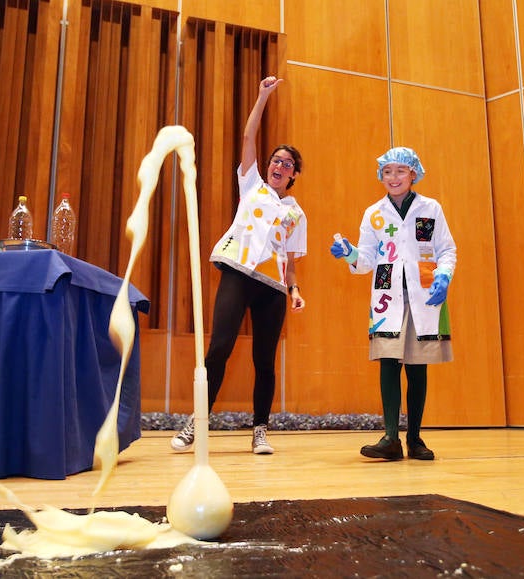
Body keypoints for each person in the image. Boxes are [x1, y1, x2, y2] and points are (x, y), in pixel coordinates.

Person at [171, 75, 307, 455]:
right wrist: (262, 97)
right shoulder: (253, 187)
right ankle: (196, 424)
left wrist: (294, 290)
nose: (279, 165)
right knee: (219, 348)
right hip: (238, 274)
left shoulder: (296, 213)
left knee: (264, 360)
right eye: (275, 160)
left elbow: (291, 262)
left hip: (273, 289)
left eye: (287, 163)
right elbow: (248, 138)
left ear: (294, 175)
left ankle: (260, 429)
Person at [330, 146, 456, 460]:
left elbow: (446, 250)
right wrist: (349, 254)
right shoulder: (374, 213)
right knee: (388, 360)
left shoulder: (431, 208)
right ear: (381, 176)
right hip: (388, 297)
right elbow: (366, 261)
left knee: (417, 365)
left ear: (414, 173)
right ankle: (390, 438)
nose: (393, 177)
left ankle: (414, 438)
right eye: (388, 172)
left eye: (400, 171)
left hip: (423, 294)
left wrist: (443, 276)